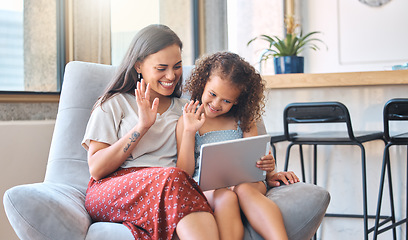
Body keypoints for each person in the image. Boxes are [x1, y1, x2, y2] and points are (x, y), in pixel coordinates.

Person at [81, 24, 220, 240]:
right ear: (138, 66)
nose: (171, 75)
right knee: (173, 180)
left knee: (178, 181)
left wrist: (190, 132)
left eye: (177, 66)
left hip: (170, 188)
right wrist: (142, 127)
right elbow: (97, 169)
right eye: (161, 68)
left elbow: (183, 173)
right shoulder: (113, 104)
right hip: (112, 189)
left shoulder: (184, 109)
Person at [176, 51, 299, 240]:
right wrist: (189, 131)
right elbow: (183, 174)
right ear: (203, 83)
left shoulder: (244, 119)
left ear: (237, 100)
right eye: (213, 94)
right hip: (207, 188)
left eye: (226, 101)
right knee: (225, 196)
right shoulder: (189, 120)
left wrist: (268, 168)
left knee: (243, 188)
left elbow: (257, 161)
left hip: (246, 183)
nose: (216, 104)